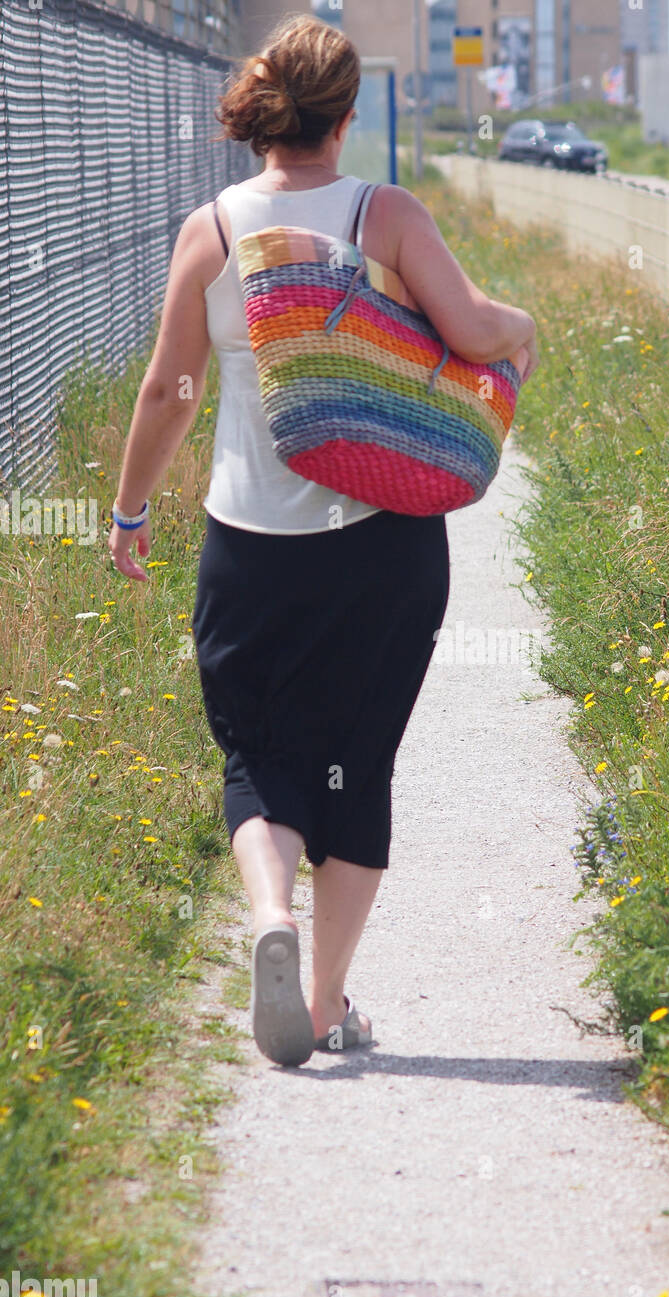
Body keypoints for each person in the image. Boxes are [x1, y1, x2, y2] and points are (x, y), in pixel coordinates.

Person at [107, 15, 538, 1067]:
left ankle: (270, 913)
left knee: (259, 754)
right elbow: (474, 329)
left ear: (263, 116)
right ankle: (329, 999)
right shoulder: (380, 213)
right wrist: (522, 329)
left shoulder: (210, 230)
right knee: (358, 761)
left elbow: (170, 389)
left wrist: (129, 509)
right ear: (347, 118)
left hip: (249, 545)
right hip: (385, 547)